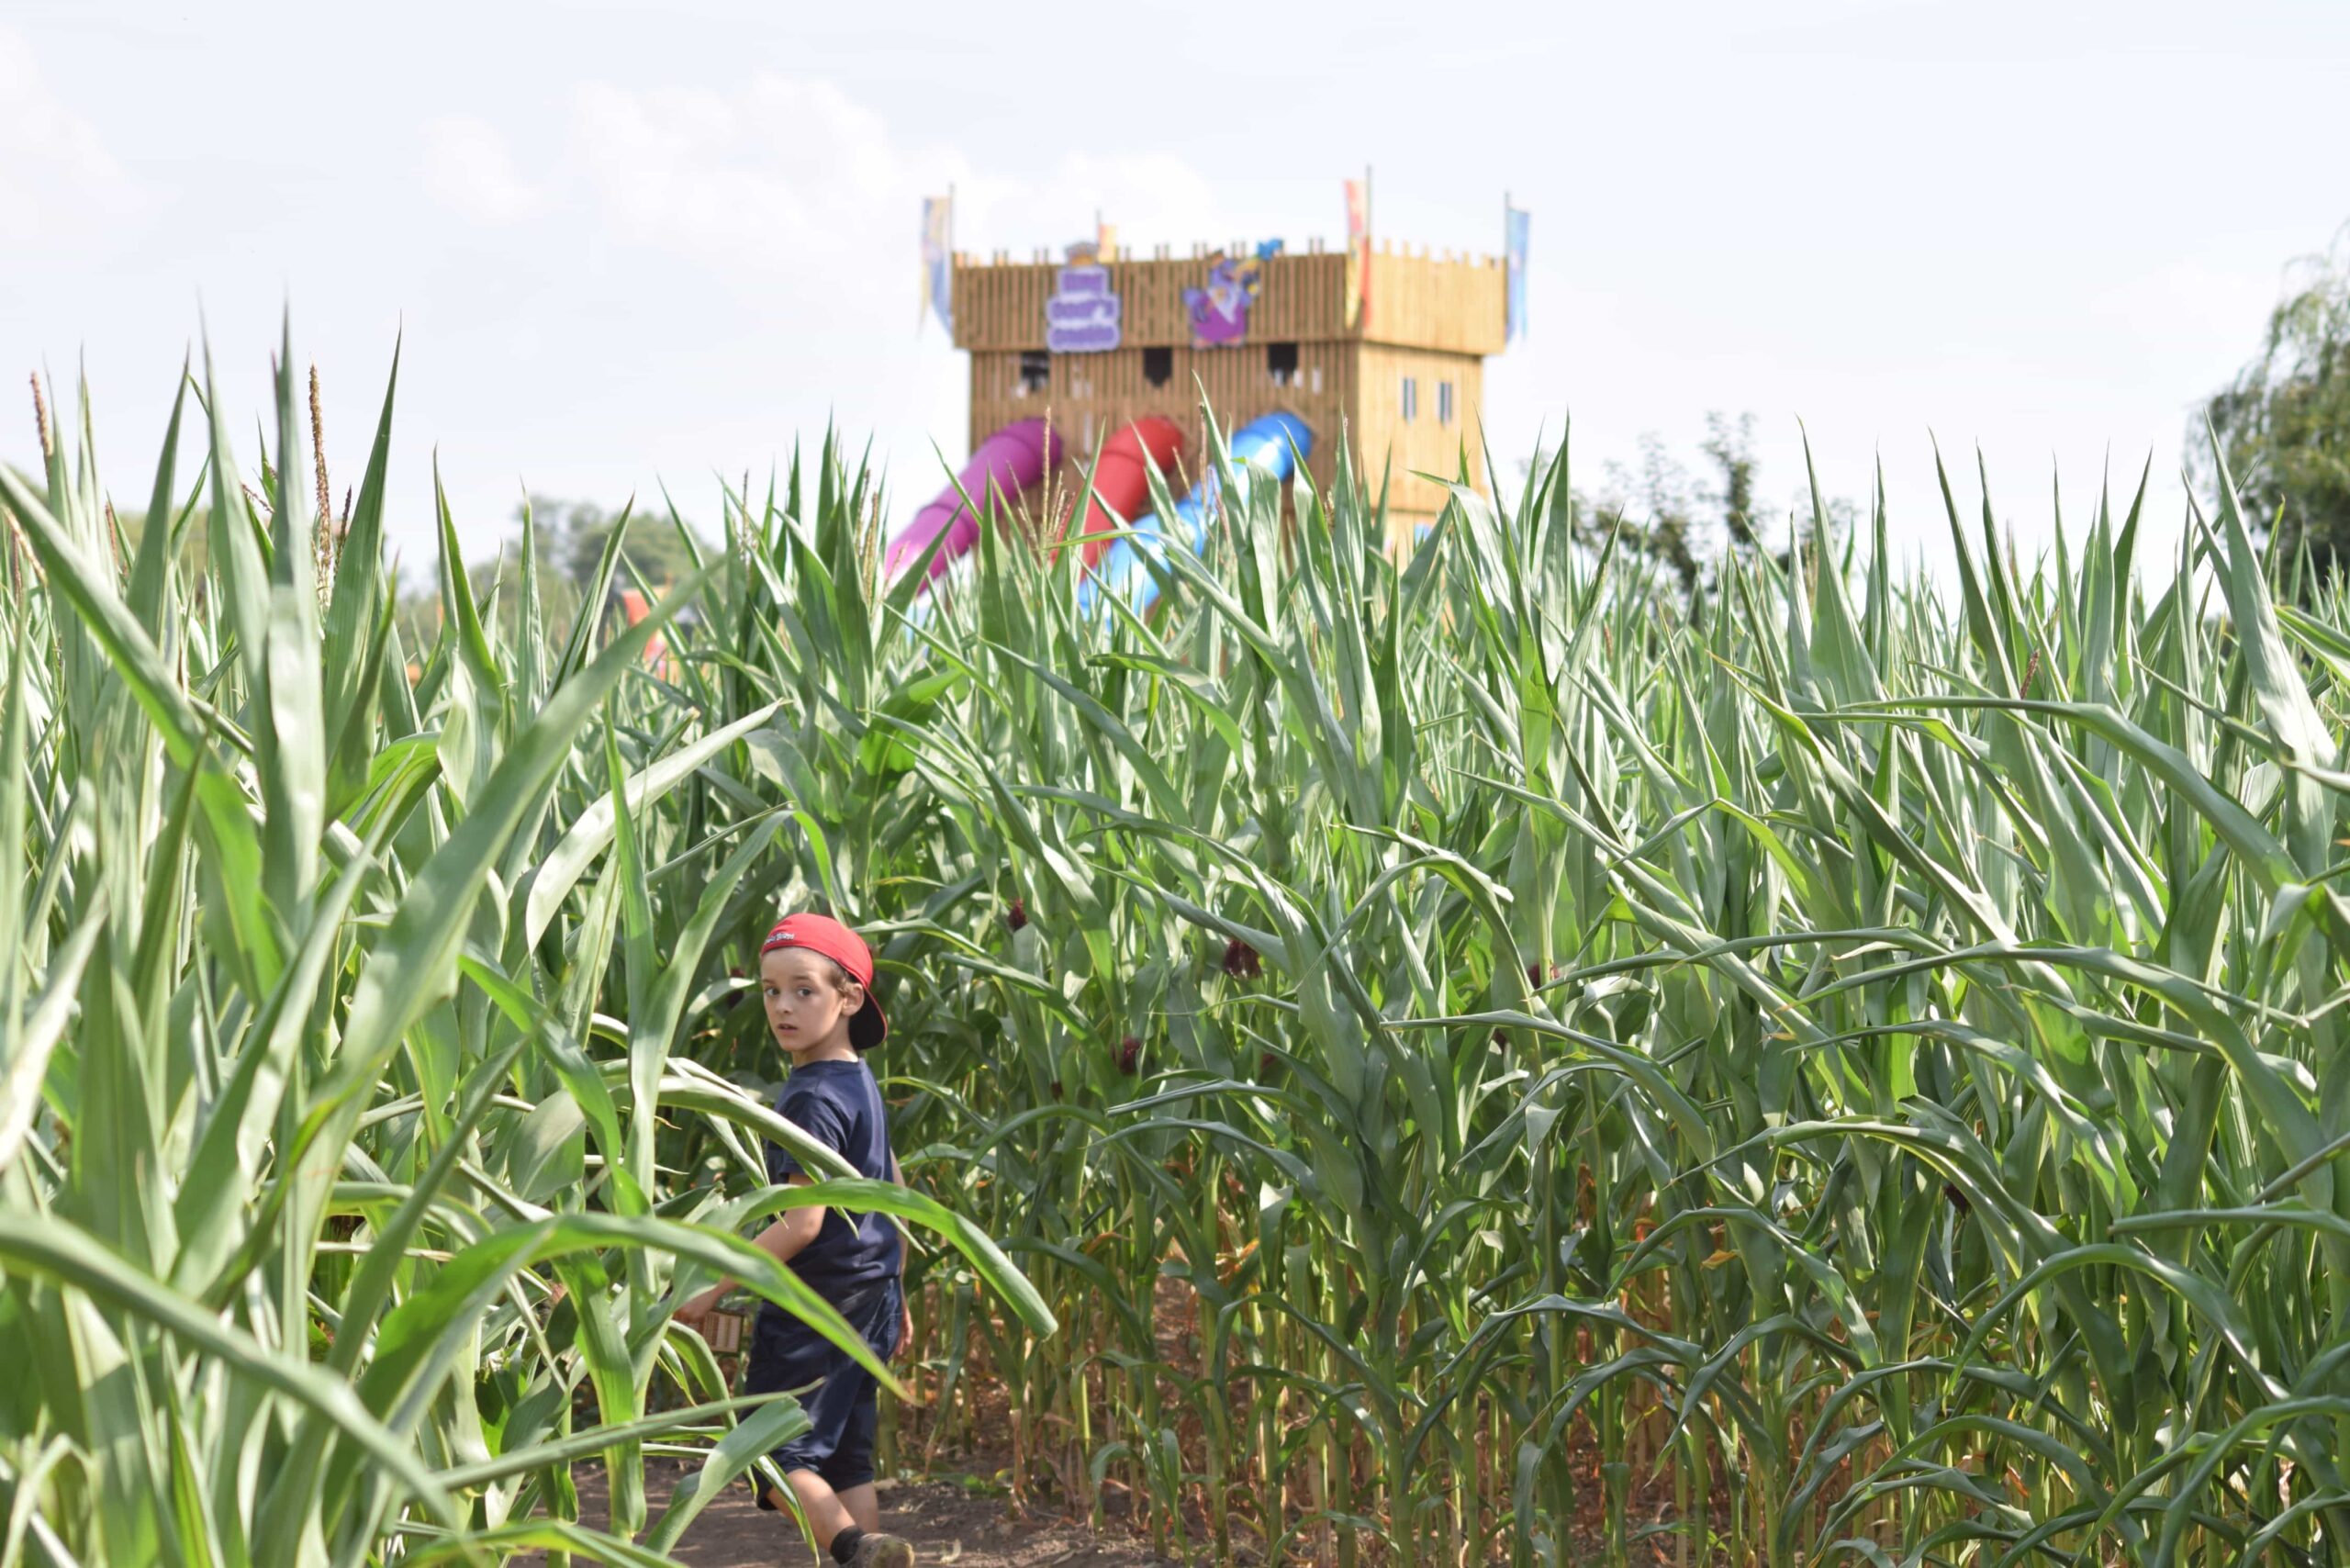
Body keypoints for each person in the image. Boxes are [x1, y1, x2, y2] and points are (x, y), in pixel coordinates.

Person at [677, 913, 915, 1568]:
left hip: (817, 1302)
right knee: (845, 1459)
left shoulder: (808, 1097)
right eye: (771, 990)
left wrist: (713, 1285)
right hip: (868, 1295)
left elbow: (803, 1223)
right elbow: (891, 1190)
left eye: (804, 990)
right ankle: (870, 1552)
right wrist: (897, 1292)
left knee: (772, 1451)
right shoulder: (858, 1079)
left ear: (848, 998)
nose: (783, 1006)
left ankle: (853, 1547)